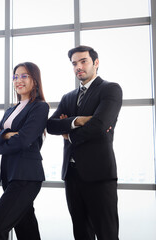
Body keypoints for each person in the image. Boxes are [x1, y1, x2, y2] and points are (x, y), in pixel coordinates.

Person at [47, 45, 122, 240]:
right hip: (72, 176)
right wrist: (76, 121)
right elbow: (51, 125)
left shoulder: (110, 89)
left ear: (96, 63)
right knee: (81, 233)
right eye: (74, 64)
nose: (78, 67)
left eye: (83, 61)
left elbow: (99, 125)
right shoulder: (68, 97)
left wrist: (69, 135)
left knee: (107, 234)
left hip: (99, 175)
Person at [0, 62, 49, 240]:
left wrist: (1, 143)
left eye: (24, 76)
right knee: (26, 230)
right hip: (10, 175)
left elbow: (24, 140)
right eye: (15, 77)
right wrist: (5, 136)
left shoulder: (40, 107)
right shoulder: (10, 110)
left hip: (26, 176)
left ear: (35, 80)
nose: (18, 80)